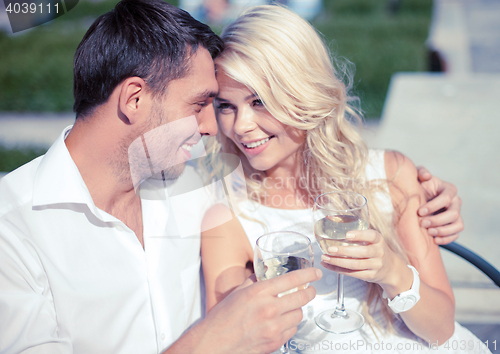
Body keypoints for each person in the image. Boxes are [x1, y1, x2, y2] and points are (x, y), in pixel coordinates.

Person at [0, 1, 323, 353]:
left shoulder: (193, 187)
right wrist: (215, 340)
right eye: (199, 105)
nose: (212, 128)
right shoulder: (12, 232)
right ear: (134, 99)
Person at [200, 5, 488, 353]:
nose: (241, 125)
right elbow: (229, 339)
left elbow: (441, 330)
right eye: (226, 106)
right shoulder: (230, 213)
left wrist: (392, 272)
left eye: (259, 101)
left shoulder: (390, 175)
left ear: (303, 93)